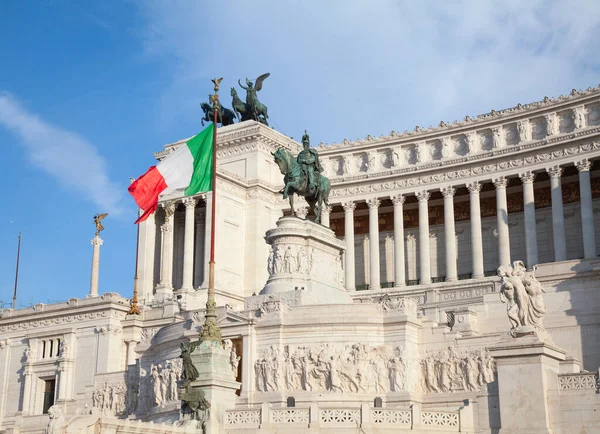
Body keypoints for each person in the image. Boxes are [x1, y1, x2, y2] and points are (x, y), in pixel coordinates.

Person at [296, 131, 323, 195]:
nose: (305, 146)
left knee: (310, 170)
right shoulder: (301, 153)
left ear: (308, 145)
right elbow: (298, 161)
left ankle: (312, 184)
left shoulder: (311, 152)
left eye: (307, 144)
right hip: (302, 166)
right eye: (304, 145)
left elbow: (312, 159)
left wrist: (305, 161)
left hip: (310, 166)